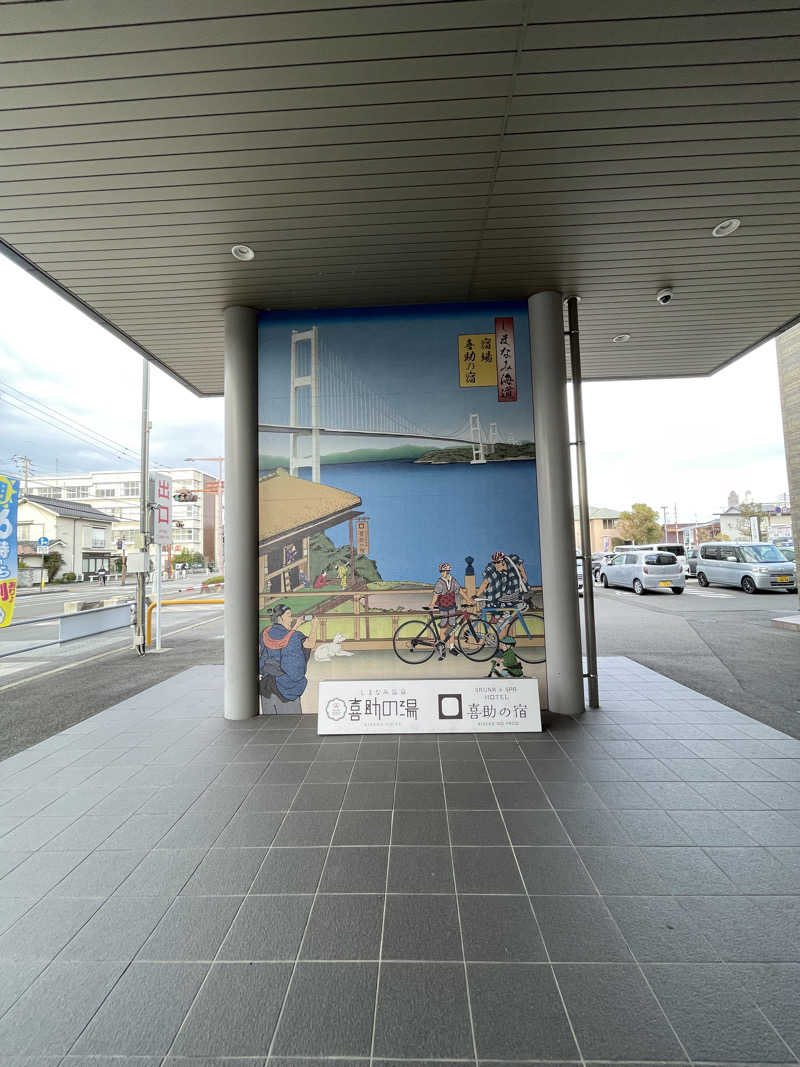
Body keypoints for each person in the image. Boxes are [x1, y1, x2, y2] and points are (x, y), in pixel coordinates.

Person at [259, 603, 319, 715]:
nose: (291, 619)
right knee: (292, 722)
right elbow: (310, 644)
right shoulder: (296, 636)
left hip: (267, 686)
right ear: (279, 618)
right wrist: (314, 626)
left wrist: (296, 626)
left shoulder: (265, 632)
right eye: (288, 615)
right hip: (287, 688)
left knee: (269, 724)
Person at [428, 561, 462, 658]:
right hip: (443, 606)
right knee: (443, 626)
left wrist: (468, 599)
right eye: (442, 571)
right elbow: (436, 594)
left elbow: (459, 591)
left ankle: (452, 647)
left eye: (445, 571)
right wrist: (431, 605)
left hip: (452, 605)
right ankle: (442, 647)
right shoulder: (440, 582)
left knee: (452, 627)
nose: (444, 573)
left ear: (448, 571)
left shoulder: (453, 580)